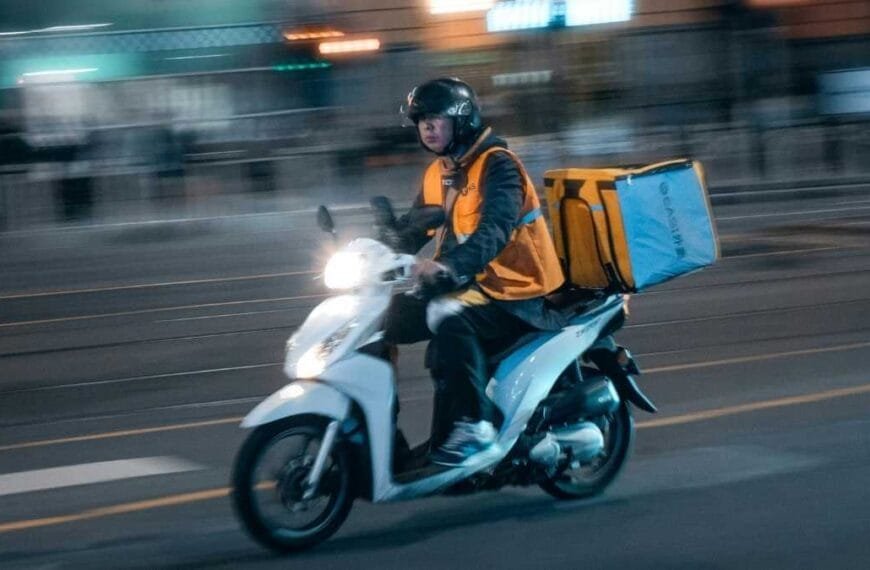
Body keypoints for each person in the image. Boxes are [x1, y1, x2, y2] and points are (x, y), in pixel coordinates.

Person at [383, 77, 565, 467]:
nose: (428, 128)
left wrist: (449, 267)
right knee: (378, 322)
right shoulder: (441, 171)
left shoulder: (499, 167)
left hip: (514, 289)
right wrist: (381, 247)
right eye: (422, 121)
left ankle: (475, 427)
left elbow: (493, 231)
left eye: (437, 120)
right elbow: (418, 226)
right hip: (469, 283)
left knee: (444, 313)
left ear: (462, 121)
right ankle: (382, 431)